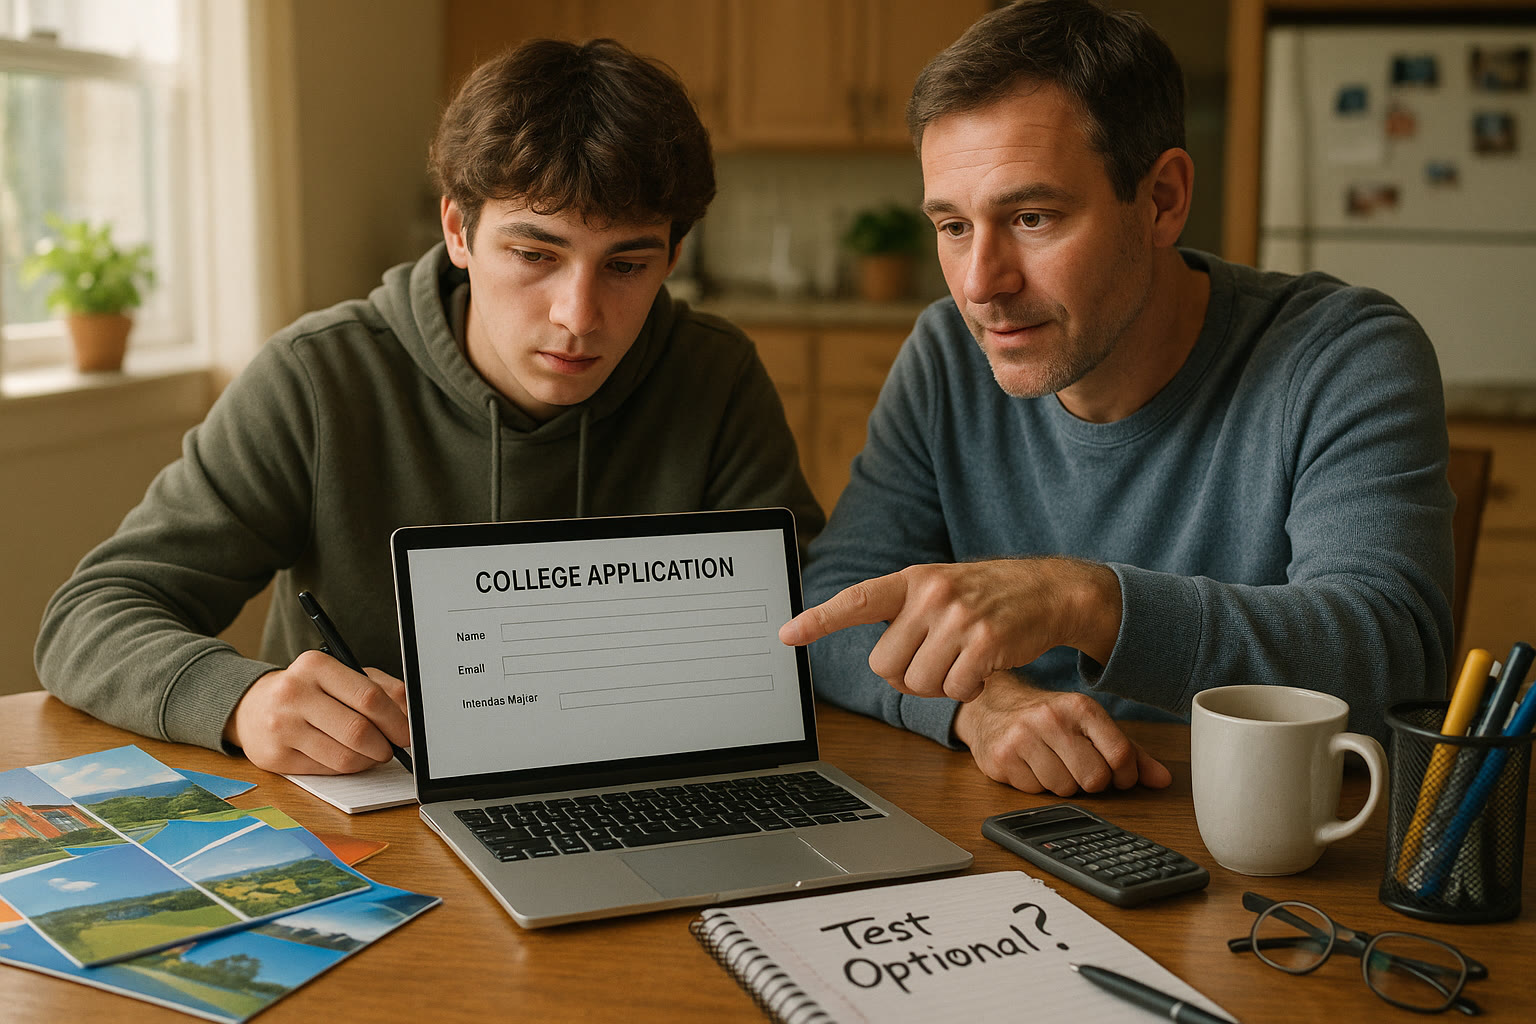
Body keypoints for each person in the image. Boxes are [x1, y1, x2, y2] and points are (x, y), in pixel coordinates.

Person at [35, 38, 822, 776]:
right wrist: (241, 701)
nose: (578, 317)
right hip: (371, 821)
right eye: (534, 255)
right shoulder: (318, 379)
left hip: (641, 793)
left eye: (626, 264)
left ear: (673, 258)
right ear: (458, 229)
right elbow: (91, 616)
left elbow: (804, 618)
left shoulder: (714, 376)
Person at [779, 0, 1452, 797]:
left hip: (1273, 847)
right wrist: (981, 707)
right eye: (953, 226)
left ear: (1163, 198)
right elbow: (829, 613)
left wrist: (1084, 600)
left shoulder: (1341, 353)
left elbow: (1394, 662)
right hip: (1013, 836)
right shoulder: (944, 358)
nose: (979, 285)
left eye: (1031, 218)